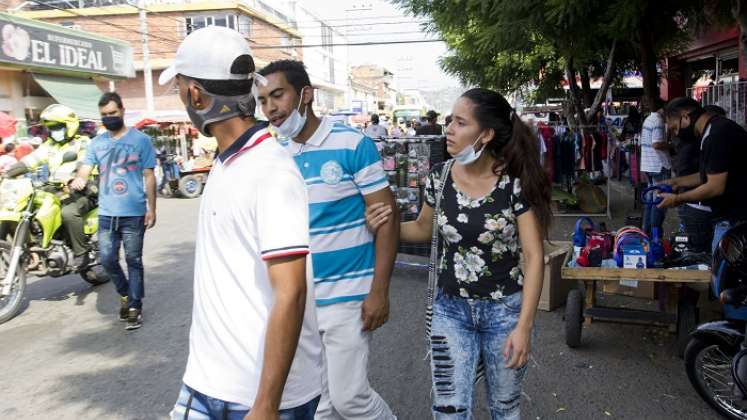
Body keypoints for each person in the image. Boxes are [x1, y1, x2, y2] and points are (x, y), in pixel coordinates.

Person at [159, 27, 322, 419]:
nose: (181, 97)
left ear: (196, 95)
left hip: (259, 397)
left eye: (179, 87)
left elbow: (291, 293)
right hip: (207, 382)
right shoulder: (227, 160)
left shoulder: (271, 172)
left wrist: (266, 405)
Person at [366, 88, 550, 419]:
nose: (448, 128)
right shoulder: (439, 176)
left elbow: (534, 256)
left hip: (506, 312)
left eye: (460, 122)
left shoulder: (514, 182)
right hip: (450, 311)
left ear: (486, 134)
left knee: (504, 407)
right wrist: (383, 225)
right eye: (450, 120)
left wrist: (524, 325)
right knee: (448, 409)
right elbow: (423, 228)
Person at [258, 60, 398, 420]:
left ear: (305, 94)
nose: (270, 108)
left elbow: (386, 218)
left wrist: (379, 291)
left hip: (348, 296)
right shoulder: (274, 155)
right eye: (262, 100)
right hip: (298, 300)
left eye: (277, 95)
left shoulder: (353, 144)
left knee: (350, 398)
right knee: (319, 404)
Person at [71, 92, 157, 330]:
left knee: (134, 260)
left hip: (134, 212)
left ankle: (135, 307)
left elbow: (149, 177)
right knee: (108, 260)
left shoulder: (141, 140)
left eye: (112, 113)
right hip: (107, 214)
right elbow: (85, 169)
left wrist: (152, 208)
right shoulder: (97, 143)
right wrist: (79, 179)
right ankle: (125, 294)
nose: (109, 118)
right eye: (104, 115)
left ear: (122, 110)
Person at [6, 104, 93, 267]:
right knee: (25, 207)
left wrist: (74, 178)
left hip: (82, 190)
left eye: (58, 127)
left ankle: (82, 252)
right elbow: (30, 160)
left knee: (68, 213)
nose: (55, 131)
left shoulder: (83, 143)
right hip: (54, 189)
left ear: (69, 126)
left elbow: (84, 164)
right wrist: (8, 173)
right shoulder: (49, 145)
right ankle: (35, 247)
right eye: (51, 128)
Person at [658, 97, 747, 253]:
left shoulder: (716, 135)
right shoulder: (713, 131)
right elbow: (707, 175)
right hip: (729, 219)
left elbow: (715, 186)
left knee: (720, 274)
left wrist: (678, 199)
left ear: (685, 116)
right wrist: (676, 182)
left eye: (674, 128)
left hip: (735, 220)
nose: (676, 134)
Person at [639, 98, 671, 238]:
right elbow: (657, 144)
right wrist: (671, 146)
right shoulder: (658, 121)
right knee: (659, 200)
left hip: (648, 164)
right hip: (659, 165)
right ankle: (655, 233)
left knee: (650, 200)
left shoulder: (648, 119)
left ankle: (646, 232)